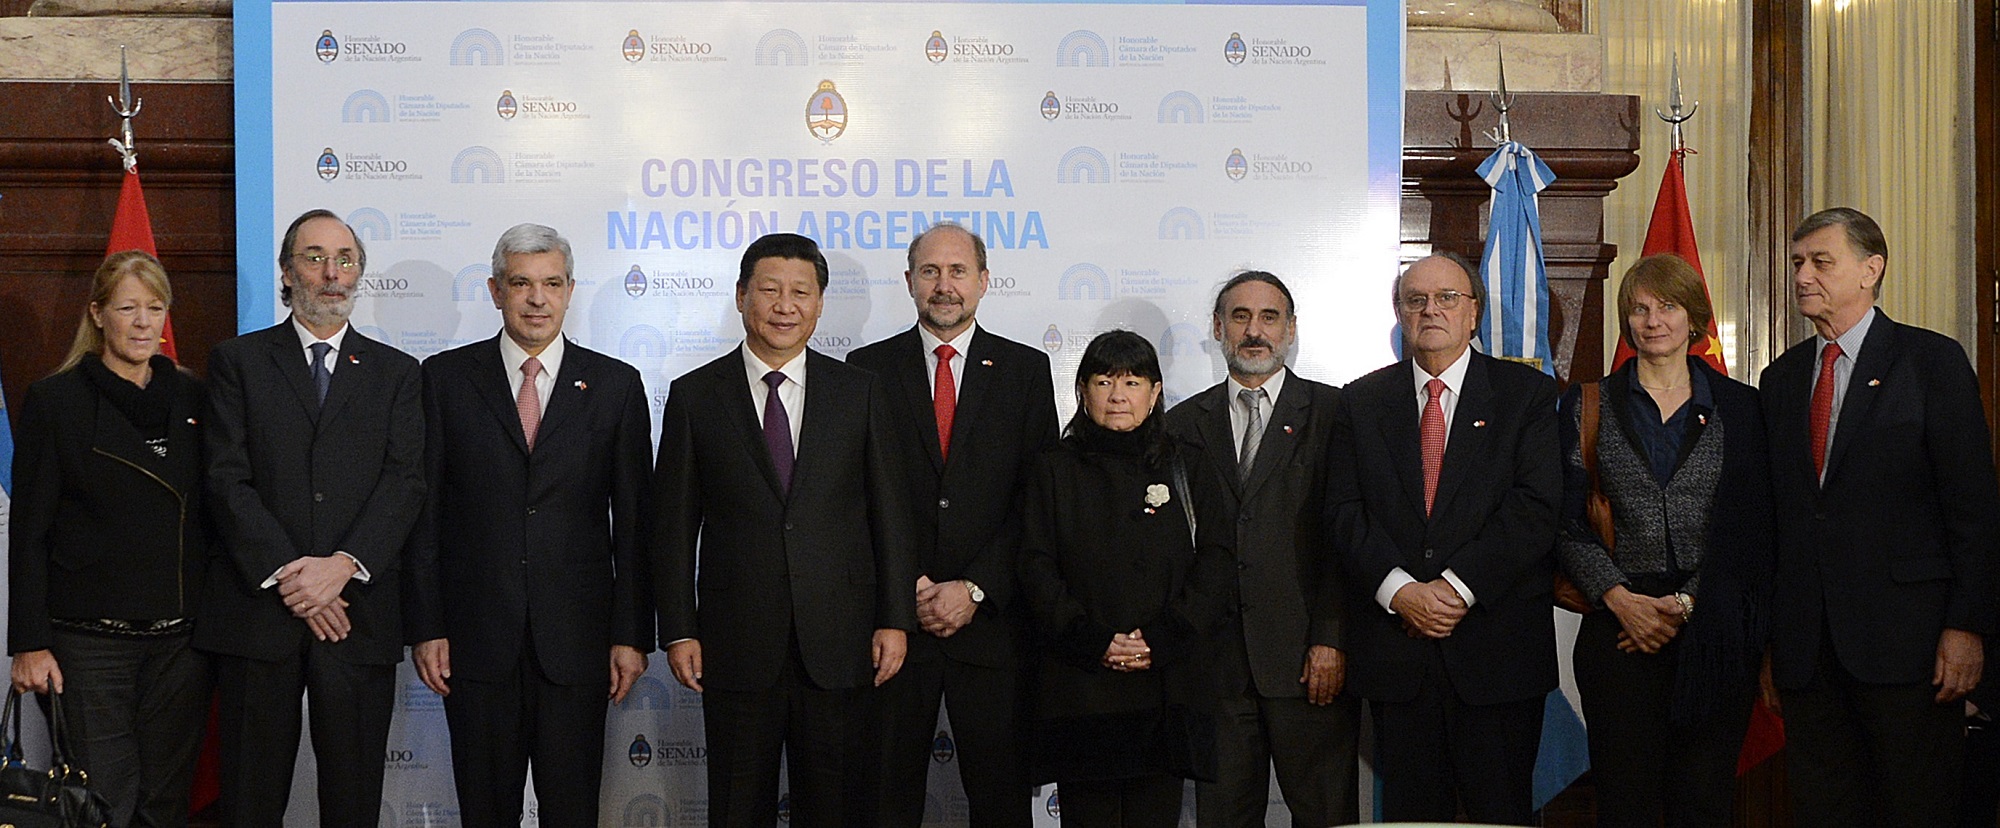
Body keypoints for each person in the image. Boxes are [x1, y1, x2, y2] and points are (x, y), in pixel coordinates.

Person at [652, 232, 915, 828]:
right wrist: (678, 629)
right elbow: (672, 528)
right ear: (742, 296)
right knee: (737, 806)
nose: (784, 305)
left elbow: (890, 517)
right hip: (734, 642)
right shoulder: (695, 395)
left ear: (821, 304)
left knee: (837, 806)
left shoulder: (861, 391)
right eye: (769, 290)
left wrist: (895, 618)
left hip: (842, 643)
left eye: (801, 292)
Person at [405, 223, 654, 826]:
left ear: (570, 291)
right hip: (474, 638)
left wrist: (630, 634)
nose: (536, 298)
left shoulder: (616, 385)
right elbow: (423, 513)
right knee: (483, 811)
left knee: (572, 810)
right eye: (520, 283)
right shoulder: (444, 379)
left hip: (579, 642)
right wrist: (427, 625)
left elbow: (637, 524)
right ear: (495, 290)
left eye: (550, 284)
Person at [1762, 207, 2000, 825]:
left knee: (1915, 808)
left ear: (1872, 269)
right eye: (1796, 262)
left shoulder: (1931, 363)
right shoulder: (1782, 379)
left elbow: (1973, 509)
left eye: (1820, 261)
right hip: (1809, 653)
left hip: (1911, 647)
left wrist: (1967, 627)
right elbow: (1778, 523)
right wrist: (1770, 645)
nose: (1803, 275)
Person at [196, 209, 425, 828]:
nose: (332, 273)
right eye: (315, 257)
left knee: (353, 803)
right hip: (258, 614)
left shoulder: (397, 374)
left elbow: (404, 483)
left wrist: (343, 568)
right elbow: (225, 478)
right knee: (249, 802)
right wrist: (296, 577)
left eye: (345, 259)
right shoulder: (237, 362)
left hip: (356, 620)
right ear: (287, 271)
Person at [1326, 253, 1560, 824]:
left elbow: (1535, 509)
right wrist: (1401, 591)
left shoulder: (1526, 395)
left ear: (1474, 311)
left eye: (1447, 298)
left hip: (1496, 651)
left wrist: (1455, 589)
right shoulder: (1359, 401)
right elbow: (1343, 512)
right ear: (1400, 314)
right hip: (1398, 654)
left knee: (1500, 815)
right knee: (1411, 818)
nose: (1431, 309)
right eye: (1416, 300)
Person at [848, 223, 1057, 828]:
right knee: (884, 803)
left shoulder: (1024, 370)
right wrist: (904, 587)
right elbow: (852, 497)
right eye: (931, 272)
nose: (945, 286)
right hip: (894, 630)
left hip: (993, 630)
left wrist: (974, 587)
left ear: (984, 282)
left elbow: (1036, 502)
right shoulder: (864, 370)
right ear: (909, 280)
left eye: (958, 272)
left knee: (1001, 804)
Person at [1554, 254, 1773, 827]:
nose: (1652, 320)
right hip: (1616, 633)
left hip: (1713, 632)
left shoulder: (1744, 408)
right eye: (1639, 308)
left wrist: (1685, 604)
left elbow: (1752, 525)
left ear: (1695, 319)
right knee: (1625, 803)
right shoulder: (1587, 405)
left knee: (1703, 801)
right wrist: (1620, 600)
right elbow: (1563, 520)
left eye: (1667, 307)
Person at [7, 251, 209, 828]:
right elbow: (30, 533)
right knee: (104, 803)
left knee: (167, 804)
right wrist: (29, 642)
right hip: (89, 646)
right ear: (97, 314)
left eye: (155, 307)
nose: (143, 322)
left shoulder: (195, 399)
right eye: (127, 308)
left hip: (181, 644)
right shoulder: (57, 402)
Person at [1164, 270, 1359, 827]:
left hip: (1308, 662)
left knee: (1324, 816)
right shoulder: (1181, 424)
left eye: (1269, 317)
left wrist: (1330, 638)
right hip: (1216, 669)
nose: (1255, 331)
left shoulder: (1334, 413)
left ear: (1291, 330)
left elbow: (1347, 542)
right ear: (1218, 329)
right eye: (1240, 317)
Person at [1018, 329, 1236, 828]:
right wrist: (1091, 640)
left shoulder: (1187, 465)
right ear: (1082, 390)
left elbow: (1217, 563)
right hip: (1081, 684)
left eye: (1133, 381)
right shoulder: (1053, 469)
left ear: (1156, 392)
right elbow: (1035, 565)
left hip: (1164, 683)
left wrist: (1161, 640)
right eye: (1104, 381)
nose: (1118, 395)